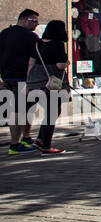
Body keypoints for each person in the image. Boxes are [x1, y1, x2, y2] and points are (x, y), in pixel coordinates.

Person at [2, 9, 41, 154]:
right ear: (25, 20)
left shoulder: (4, 33)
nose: (37, 24)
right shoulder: (31, 37)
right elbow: (35, 60)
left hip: (7, 77)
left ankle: (25, 138)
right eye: (34, 21)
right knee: (20, 112)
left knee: (24, 110)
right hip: (23, 79)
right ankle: (15, 144)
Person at [29, 20, 70, 154]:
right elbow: (60, 65)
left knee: (49, 112)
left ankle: (40, 139)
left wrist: (28, 80)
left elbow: (31, 63)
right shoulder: (57, 44)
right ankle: (46, 145)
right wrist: (67, 62)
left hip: (36, 81)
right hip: (51, 83)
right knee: (52, 112)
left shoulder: (37, 43)